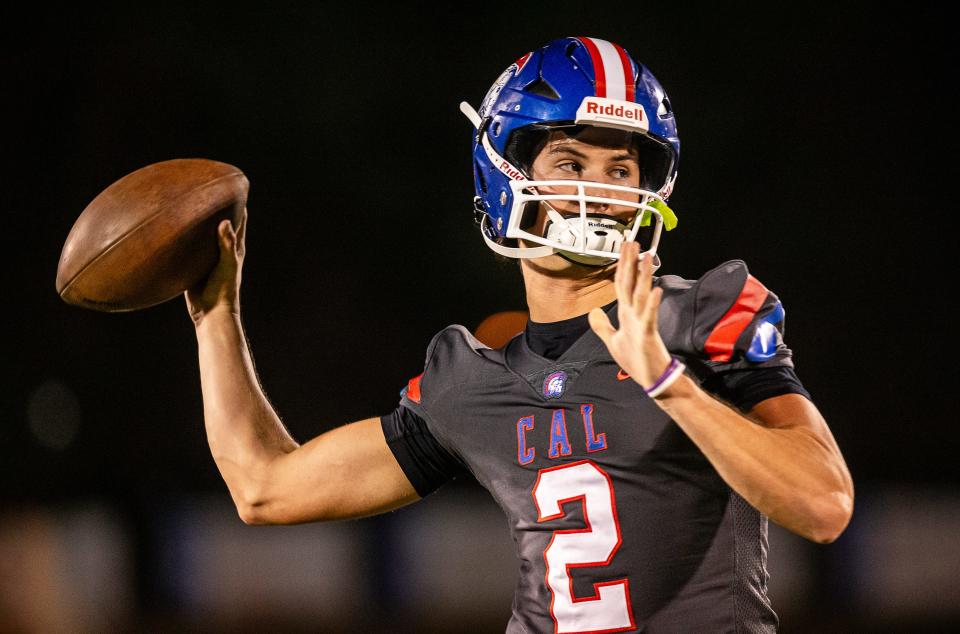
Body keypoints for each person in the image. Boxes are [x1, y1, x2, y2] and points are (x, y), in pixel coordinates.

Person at [186, 37, 853, 633]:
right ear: (505, 175)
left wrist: (668, 382)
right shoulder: (469, 383)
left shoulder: (700, 319)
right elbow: (263, 487)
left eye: (621, 171)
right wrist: (217, 315)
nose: (598, 189)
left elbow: (823, 504)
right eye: (571, 162)